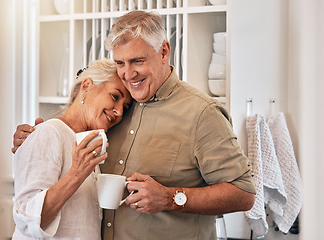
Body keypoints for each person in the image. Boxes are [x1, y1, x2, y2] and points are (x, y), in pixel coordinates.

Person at [13, 10, 256, 240]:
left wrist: (171, 198)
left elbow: (243, 194)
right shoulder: (115, 114)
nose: (128, 75)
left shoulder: (202, 113)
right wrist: (34, 139)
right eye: (120, 63)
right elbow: (64, 143)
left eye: (137, 61)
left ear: (163, 52)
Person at [12, 59, 132, 239]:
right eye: (115, 97)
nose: (119, 112)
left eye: (125, 107)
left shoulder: (90, 143)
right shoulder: (49, 132)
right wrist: (76, 173)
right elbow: (26, 219)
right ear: (87, 86)